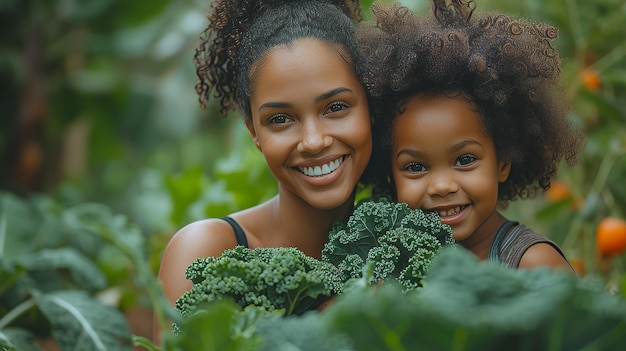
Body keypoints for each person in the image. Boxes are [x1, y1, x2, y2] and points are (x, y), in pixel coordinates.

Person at [155, 0, 372, 343]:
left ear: (370, 107)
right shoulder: (208, 250)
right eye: (280, 119)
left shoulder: (406, 248)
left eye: (336, 107)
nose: (314, 141)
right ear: (254, 131)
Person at [359, 0, 583, 271]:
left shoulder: (531, 265)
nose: (442, 186)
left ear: (503, 161)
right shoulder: (397, 264)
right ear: (390, 174)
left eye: (464, 160)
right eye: (415, 167)